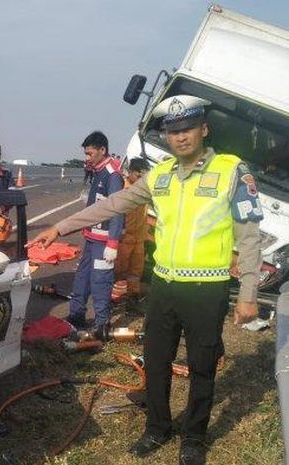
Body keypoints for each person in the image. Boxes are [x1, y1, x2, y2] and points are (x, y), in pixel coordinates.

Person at [27, 95, 263, 465]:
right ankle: (157, 428)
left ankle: (194, 439)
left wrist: (248, 292)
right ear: (167, 136)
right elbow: (112, 204)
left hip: (207, 289)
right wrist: (60, 227)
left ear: (203, 129)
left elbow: (249, 237)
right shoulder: (161, 175)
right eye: (173, 131)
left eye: (187, 129)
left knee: (201, 367)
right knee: (156, 361)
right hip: (165, 287)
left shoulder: (232, 172)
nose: (180, 137)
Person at [65, 131, 124, 334]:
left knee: (100, 281)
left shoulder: (112, 174)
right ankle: (76, 315)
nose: (87, 158)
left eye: (90, 154)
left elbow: (117, 209)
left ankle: (102, 324)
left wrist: (113, 244)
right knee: (81, 278)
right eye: (86, 154)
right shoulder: (98, 171)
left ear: (102, 150)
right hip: (91, 238)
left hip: (104, 241)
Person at [114, 157, 150, 305]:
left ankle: (132, 297)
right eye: (138, 176)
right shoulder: (121, 190)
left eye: (143, 176)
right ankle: (113, 299)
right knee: (118, 271)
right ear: (130, 172)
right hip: (124, 239)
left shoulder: (144, 191)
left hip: (139, 239)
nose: (141, 179)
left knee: (136, 271)